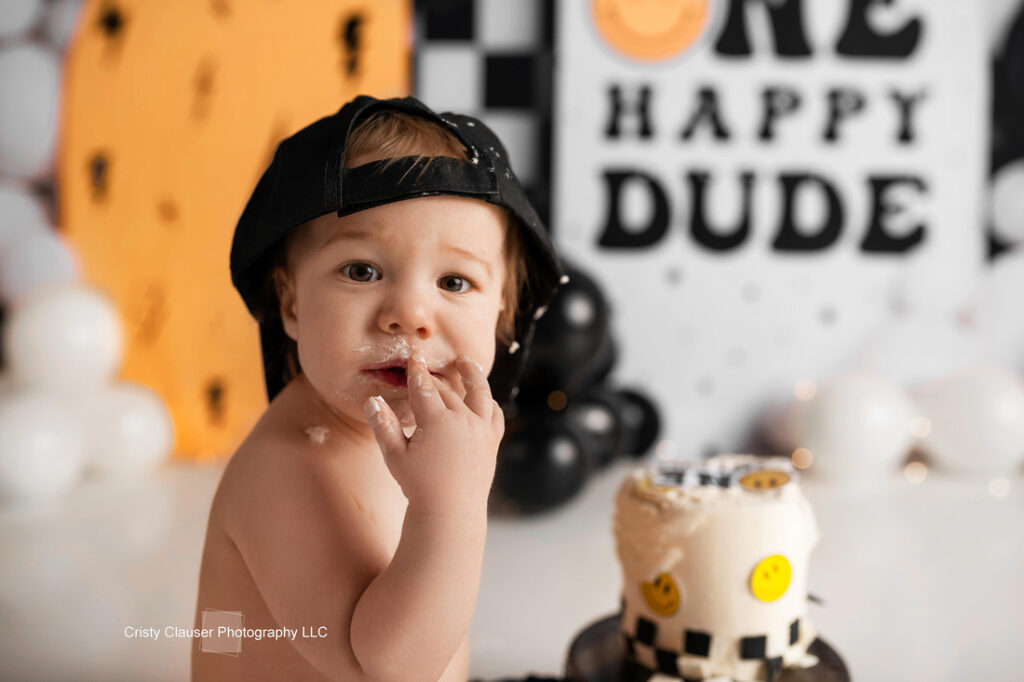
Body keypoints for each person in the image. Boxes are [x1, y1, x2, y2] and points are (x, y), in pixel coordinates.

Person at [191, 95, 564, 681]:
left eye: (455, 280)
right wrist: (451, 507)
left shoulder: (424, 443)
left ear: (502, 314)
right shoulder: (284, 469)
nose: (411, 313)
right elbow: (388, 668)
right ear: (290, 303)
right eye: (362, 271)